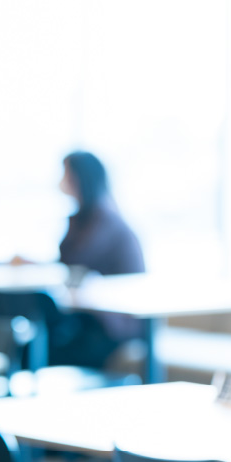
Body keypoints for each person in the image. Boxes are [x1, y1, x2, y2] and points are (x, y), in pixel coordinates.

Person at [52, 151, 146, 368]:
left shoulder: (106, 219)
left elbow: (75, 261)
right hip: (93, 321)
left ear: (80, 178)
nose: (61, 182)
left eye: (66, 174)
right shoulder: (84, 218)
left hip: (117, 326)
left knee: (46, 347)